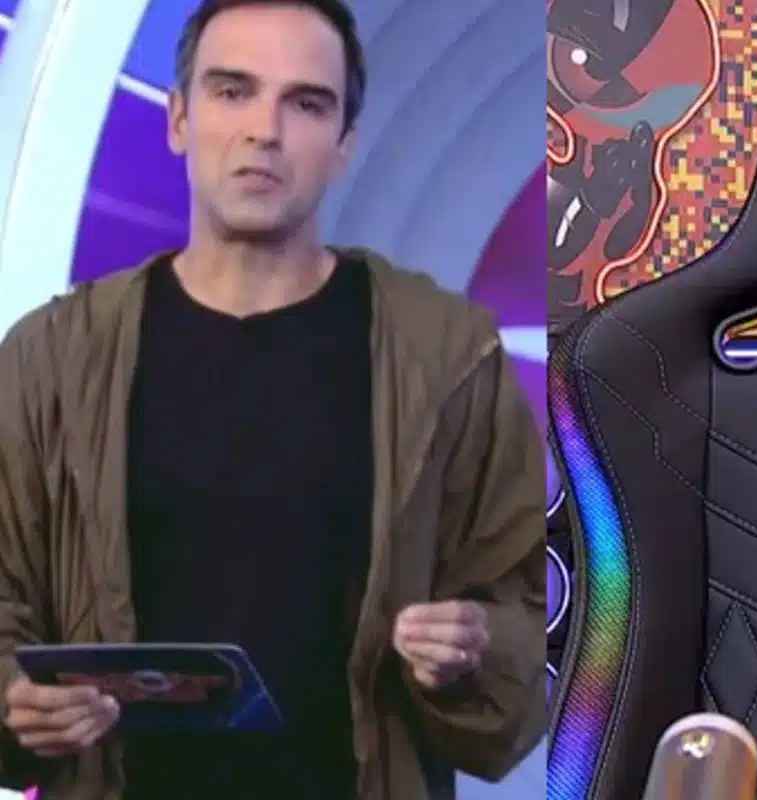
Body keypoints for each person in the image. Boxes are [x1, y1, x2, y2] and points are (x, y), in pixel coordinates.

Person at [0, 0, 545, 798]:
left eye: (307, 103)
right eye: (233, 91)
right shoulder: (52, 358)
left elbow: (520, 611)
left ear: (345, 144)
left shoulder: (449, 358)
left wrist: (472, 649)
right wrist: (15, 699)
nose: (265, 130)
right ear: (179, 119)